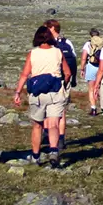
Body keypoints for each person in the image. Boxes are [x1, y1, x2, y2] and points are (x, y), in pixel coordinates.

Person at [14, 26, 72, 168]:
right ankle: (53, 151)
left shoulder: (32, 54)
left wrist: (18, 92)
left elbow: (24, 74)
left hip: (37, 93)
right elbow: (68, 72)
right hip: (55, 92)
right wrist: (63, 85)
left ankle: (35, 156)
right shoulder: (58, 52)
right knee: (53, 124)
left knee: (37, 125)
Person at [45, 19, 76, 150]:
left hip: (51, 80)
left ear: (52, 28)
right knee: (62, 110)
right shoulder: (67, 42)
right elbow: (73, 60)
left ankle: (48, 135)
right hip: (65, 80)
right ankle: (61, 139)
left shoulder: (48, 43)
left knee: (48, 109)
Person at [80, 28, 103, 116]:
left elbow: (84, 57)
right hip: (101, 67)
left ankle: (94, 108)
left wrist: (82, 68)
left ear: (90, 35)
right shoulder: (102, 43)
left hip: (91, 67)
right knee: (100, 87)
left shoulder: (88, 44)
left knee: (91, 89)